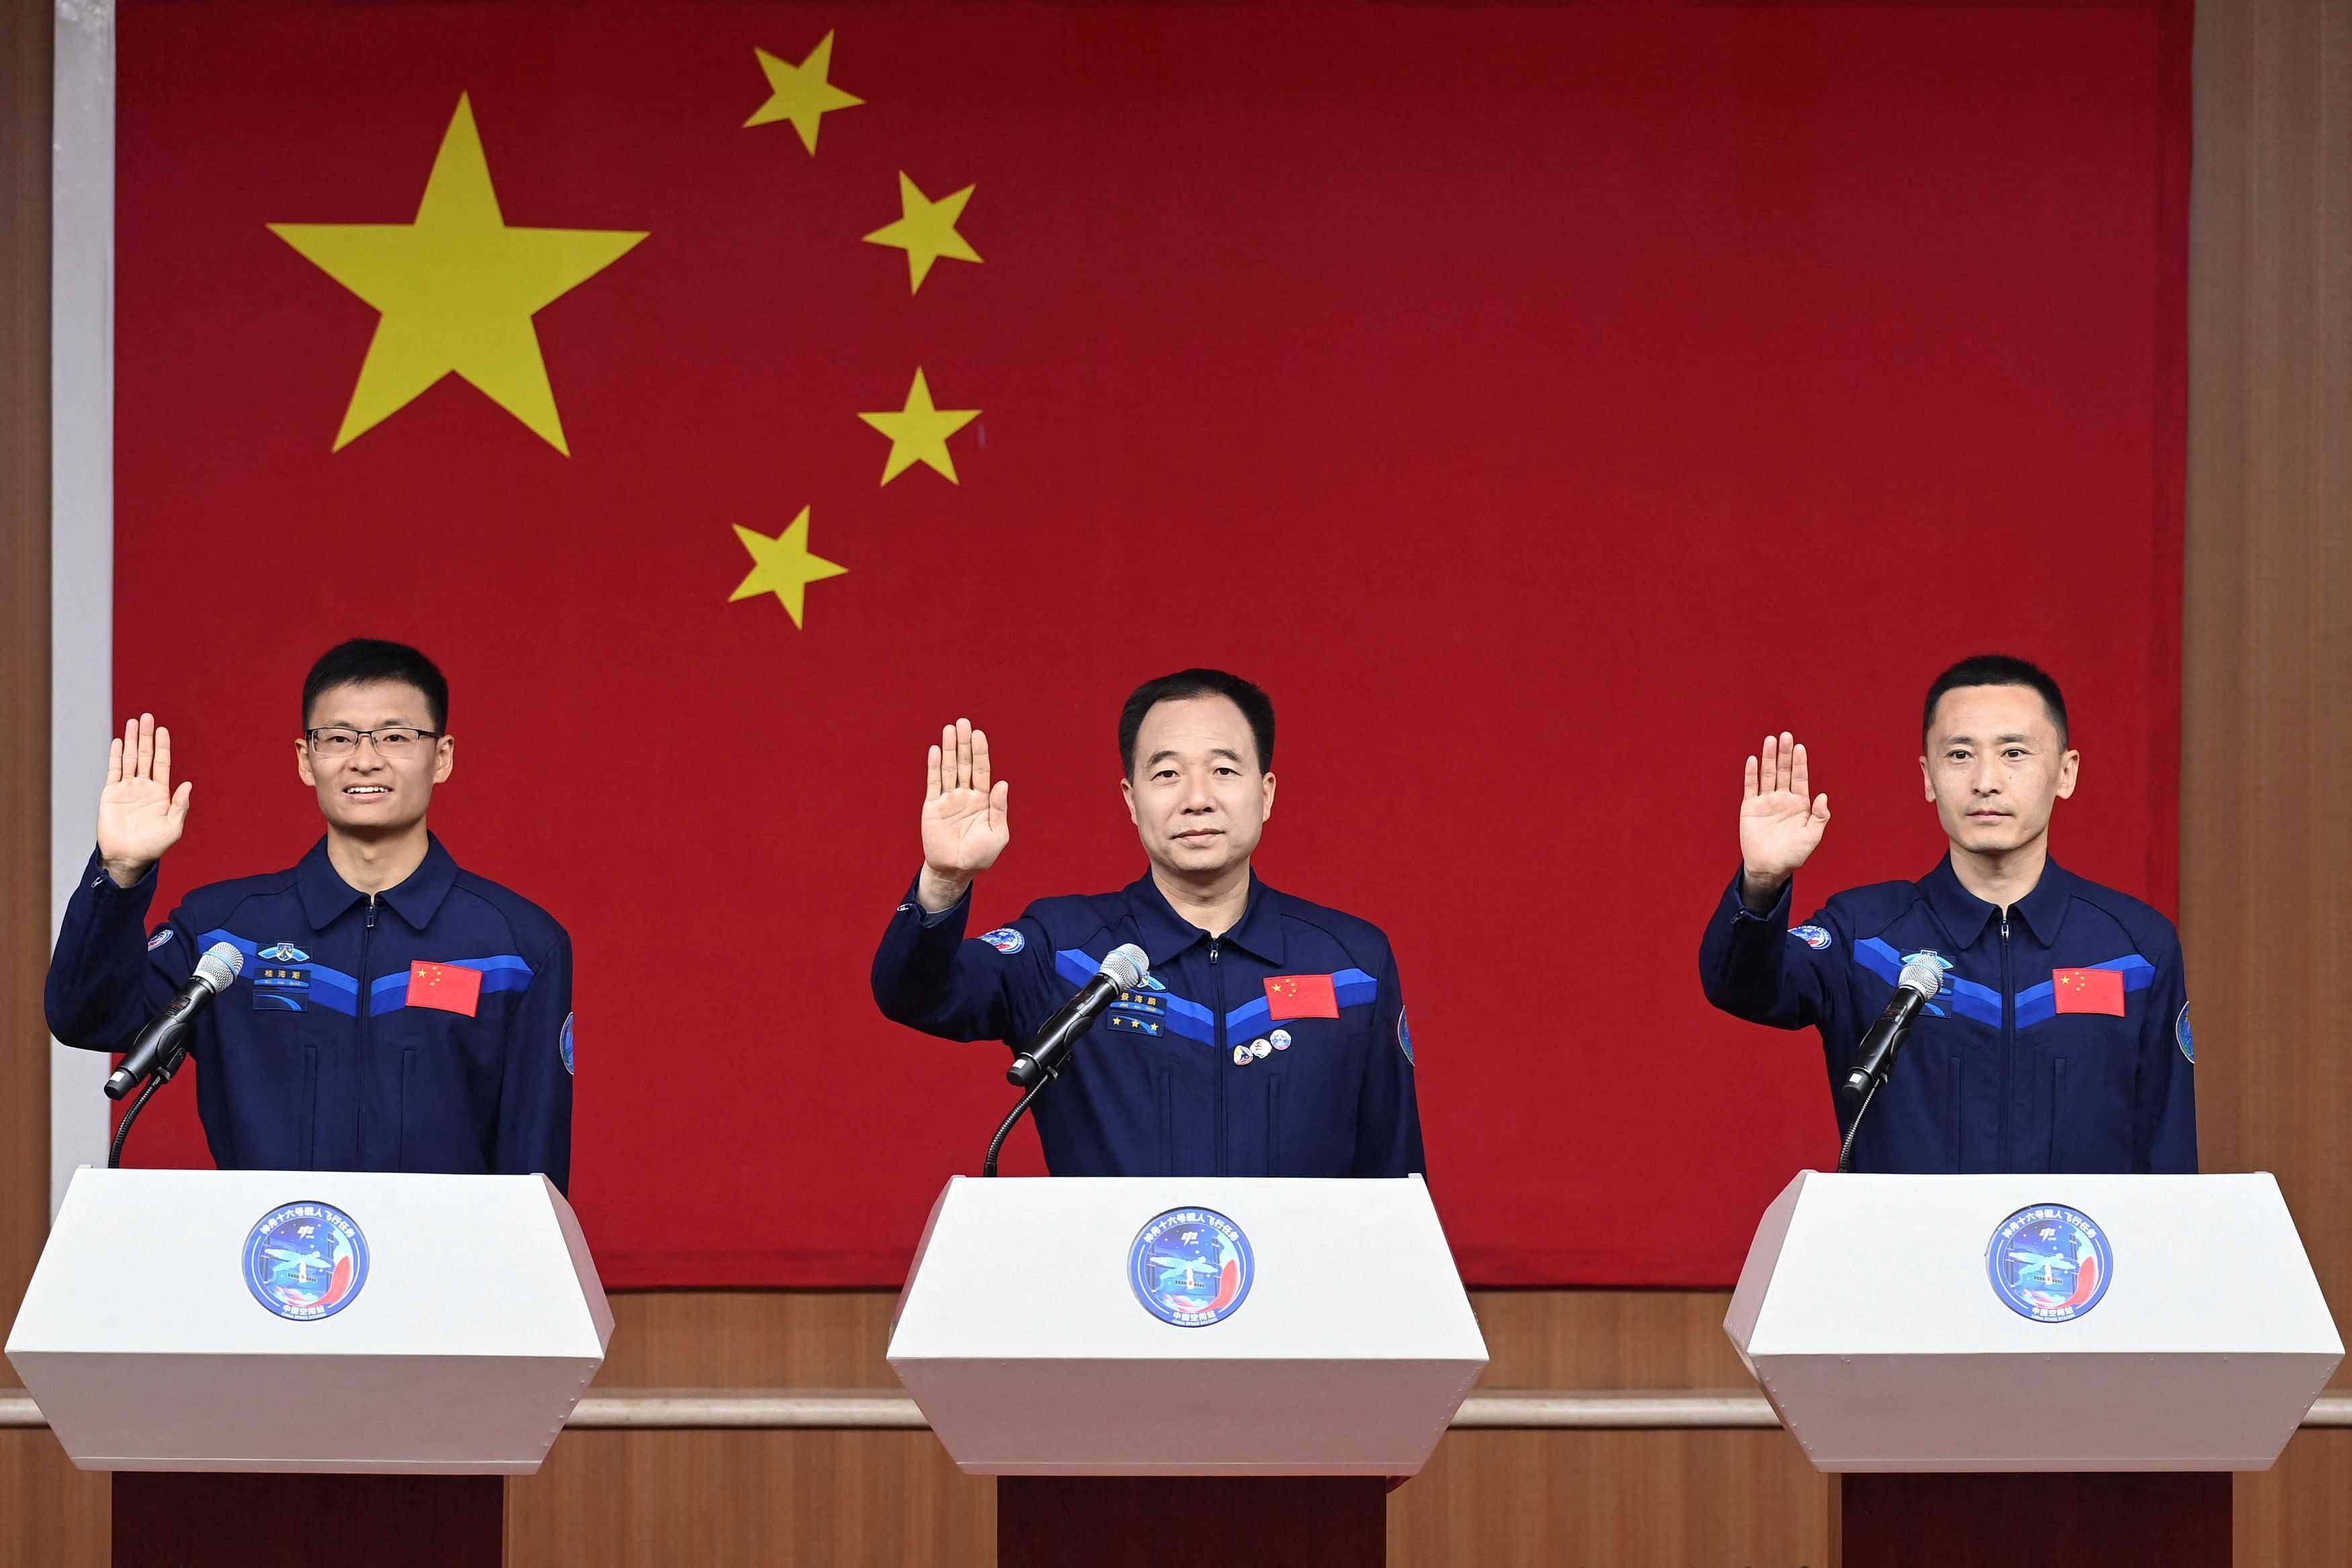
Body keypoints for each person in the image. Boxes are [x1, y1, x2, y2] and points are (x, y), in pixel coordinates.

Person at [47, 640, 575, 1189]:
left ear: (441, 757)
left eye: (396, 737)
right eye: (339, 738)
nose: (365, 759)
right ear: (306, 759)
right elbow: (87, 1018)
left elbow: (533, 1170)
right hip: (264, 1264)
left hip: (442, 1270)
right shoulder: (225, 935)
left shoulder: (517, 948)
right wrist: (121, 873)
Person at [872, 669, 1424, 1177]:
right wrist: (944, 879)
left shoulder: (1352, 965)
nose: (1197, 799)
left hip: (1304, 1284)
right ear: (1132, 801)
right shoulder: (1066, 951)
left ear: (1266, 793)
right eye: (1167, 774)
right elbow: (916, 995)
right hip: (1114, 1281)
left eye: (1224, 770)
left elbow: (1395, 1174)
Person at [1699, 654, 2194, 1174]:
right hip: (1906, 1253)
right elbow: (1741, 988)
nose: (1986, 780)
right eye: (1959, 755)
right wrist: (1762, 882)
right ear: (1929, 776)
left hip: (2066, 1253)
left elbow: (2170, 1146)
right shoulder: (1865, 938)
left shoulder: (2136, 949)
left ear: (2065, 773)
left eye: (2014, 753)